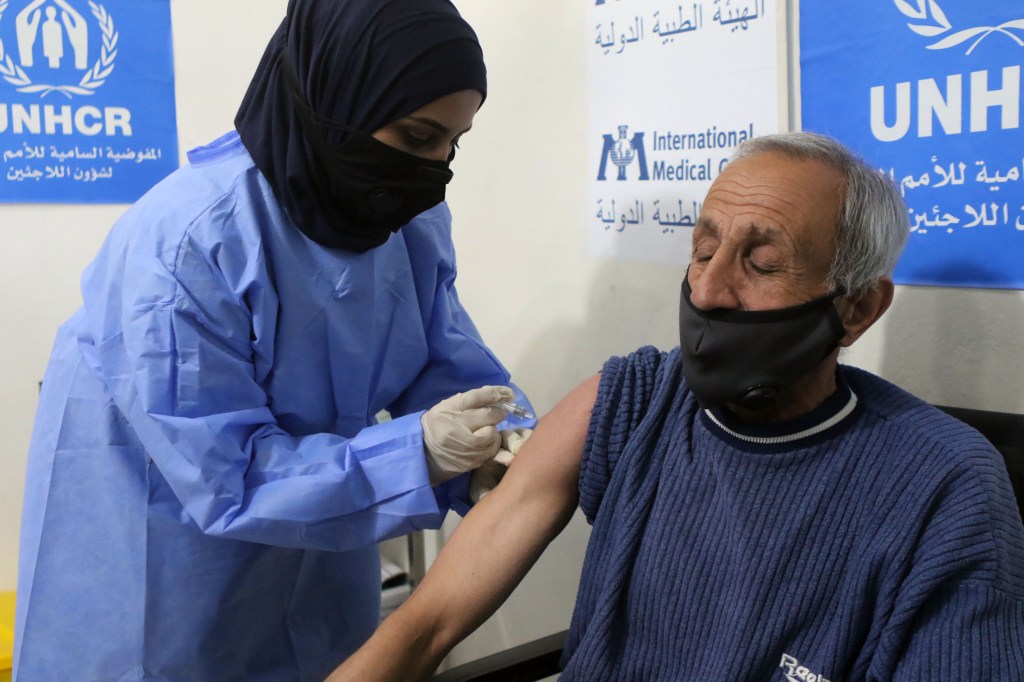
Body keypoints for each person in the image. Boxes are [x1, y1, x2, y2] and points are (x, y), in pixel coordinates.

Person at [329, 131, 1024, 681]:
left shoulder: (943, 485)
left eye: (761, 262)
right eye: (703, 250)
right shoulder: (634, 400)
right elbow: (427, 625)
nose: (710, 291)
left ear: (858, 308)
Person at [14, 1, 533, 680]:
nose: (435, 169)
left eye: (453, 144)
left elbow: (437, 354)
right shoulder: (189, 242)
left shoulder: (407, 218)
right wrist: (419, 453)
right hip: (164, 573)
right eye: (416, 137)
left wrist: (506, 439)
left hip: (319, 544)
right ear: (333, 96)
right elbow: (225, 477)